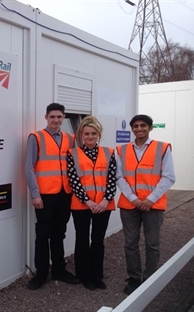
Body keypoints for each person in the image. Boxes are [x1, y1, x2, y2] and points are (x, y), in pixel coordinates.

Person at [116, 114, 176, 295]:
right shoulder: (121, 150)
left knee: (153, 244)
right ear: (132, 129)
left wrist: (149, 200)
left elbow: (169, 177)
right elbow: (119, 176)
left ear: (150, 128)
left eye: (143, 125)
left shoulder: (162, 148)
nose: (139, 129)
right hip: (129, 204)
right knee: (130, 243)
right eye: (135, 126)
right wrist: (134, 199)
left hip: (153, 205)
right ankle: (134, 278)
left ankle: (150, 278)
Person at [25, 103, 80, 290]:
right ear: (46, 117)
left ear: (64, 117)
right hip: (44, 196)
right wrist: (35, 194)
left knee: (59, 234)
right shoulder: (36, 137)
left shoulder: (71, 139)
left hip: (65, 194)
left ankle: (59, 270)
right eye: (52, 117)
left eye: (59, 117)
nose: (56, 120)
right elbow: (29, 167)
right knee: (42, 236)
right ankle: (40, 275)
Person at [66, 116, 116, 291]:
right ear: (81, 135)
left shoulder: (109, 152)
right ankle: (84, 276)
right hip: (81, 206)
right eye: (86, 133)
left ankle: (97, 275)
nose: (89, 136)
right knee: (82, 240)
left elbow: (112, 179)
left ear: (99, 134)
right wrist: (87, 201)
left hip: (103, 205)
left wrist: (104, 200)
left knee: (97, 241)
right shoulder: (72, 154)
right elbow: (73, 180)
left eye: (93, 133)